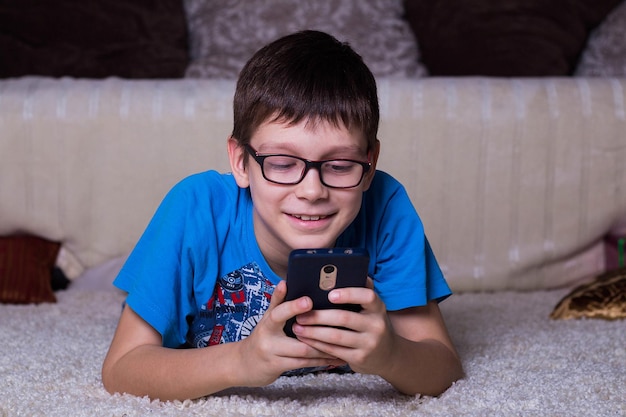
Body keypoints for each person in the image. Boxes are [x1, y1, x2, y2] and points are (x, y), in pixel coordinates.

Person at [101, 30, 463, 401]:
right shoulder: (196, 209)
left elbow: (444, 367)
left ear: (369, 165)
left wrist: (391, 355)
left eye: (339, 165)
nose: (311, 191)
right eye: (283, 163)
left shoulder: (387, 206)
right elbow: (121, 368)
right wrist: (241, 361)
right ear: (241, 162)